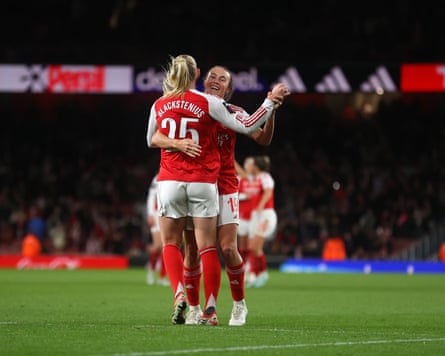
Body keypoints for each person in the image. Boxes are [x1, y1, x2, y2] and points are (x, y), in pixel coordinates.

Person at [146, 54, 288, 325]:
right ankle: (198, 309)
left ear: (228, 88)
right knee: (192, 250)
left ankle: (238, 304)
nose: (215, 80)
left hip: (223, 185)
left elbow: (261, 137)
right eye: (212, 75)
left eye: (222, 78)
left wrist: (272, 111)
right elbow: (157, 136)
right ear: (201, 77)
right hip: (203, 183)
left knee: (227, 248)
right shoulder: (200, 106)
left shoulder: (229, 110)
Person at [235, 155, 277, 288]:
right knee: (253, 247)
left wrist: (261, 205)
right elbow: (242, 174)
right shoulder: (256, 178)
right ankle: (256, 273)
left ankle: (262, 272)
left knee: (255, 246)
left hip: (265, 214)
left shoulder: (265, 177)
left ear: (256, 167)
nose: (248, 167)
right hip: (256, 216)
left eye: (251, 165)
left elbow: (268, 192)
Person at [145, 172, 169, 286]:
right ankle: (152, 269)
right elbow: (151, 196)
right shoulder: (157, 178)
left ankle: (162, 277)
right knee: (157, 246)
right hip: (156, 213)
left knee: (167, 246)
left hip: (170, 213)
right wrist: (150, 213)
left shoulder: (177, 175)